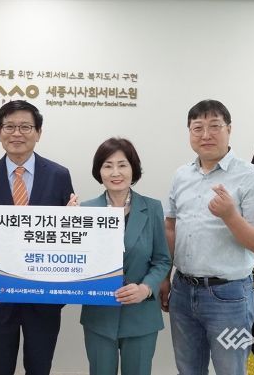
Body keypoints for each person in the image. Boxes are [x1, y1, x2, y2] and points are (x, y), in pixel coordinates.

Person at [159, 99, 254, 375]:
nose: (206, 135)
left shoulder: (252, 178)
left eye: (214, 126)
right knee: (188, 370)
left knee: (230, 371)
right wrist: (165, 276)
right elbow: (171, 227)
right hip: (182, 290)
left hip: (229, 296)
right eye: (197, 128)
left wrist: (230, 215)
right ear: (189, 132)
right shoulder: (181, 175)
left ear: (229, 129)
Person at [0, 100, 75, 375]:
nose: (17, 133)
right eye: (9, 127)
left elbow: (67, 234)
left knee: (39, 367)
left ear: (38, 132)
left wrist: (71, 220)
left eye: (25, 127)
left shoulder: (59, 176)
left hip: (44, 294)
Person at [71, 137, 171, 375]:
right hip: (99, 316)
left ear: (133, 169)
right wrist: (68, 222)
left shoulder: (152, 207)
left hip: (141, 314)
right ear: (99, 171)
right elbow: (75, 261)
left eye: (122, 165)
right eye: (108, 166)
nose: (115, 172)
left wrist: (146, 288)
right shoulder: (84, 210)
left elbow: (162, 260)